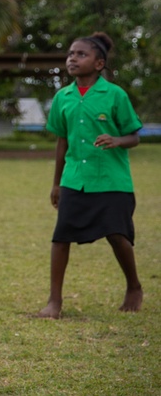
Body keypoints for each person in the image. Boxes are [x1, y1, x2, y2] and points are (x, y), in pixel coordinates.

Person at [37, 32, 143, 319]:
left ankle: (134, 286)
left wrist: (117, 140)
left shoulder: (115, 95)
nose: (72, 58)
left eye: (81, 54)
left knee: (117, 236)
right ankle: (54, 302)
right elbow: (62, 142)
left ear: (99, 64)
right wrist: (57, 183)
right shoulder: (63, 97)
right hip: (75, 179)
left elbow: (134, 136)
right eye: (71, 53)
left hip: (111, 179)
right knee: (61, 237)